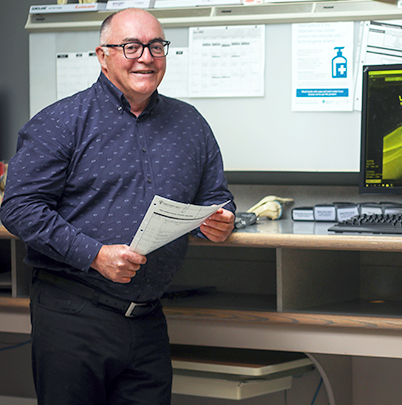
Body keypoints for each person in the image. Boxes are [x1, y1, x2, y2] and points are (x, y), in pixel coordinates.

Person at [0, 8, 236, 405]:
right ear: (102, 55)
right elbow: (19, 207)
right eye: (131, 46)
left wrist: (220, 218)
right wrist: (94, 255)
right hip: (73, 315)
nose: (146, 57)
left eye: (156, 46)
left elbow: (216, 195)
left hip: (148, 320)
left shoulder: (191, 124)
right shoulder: (62, 121)